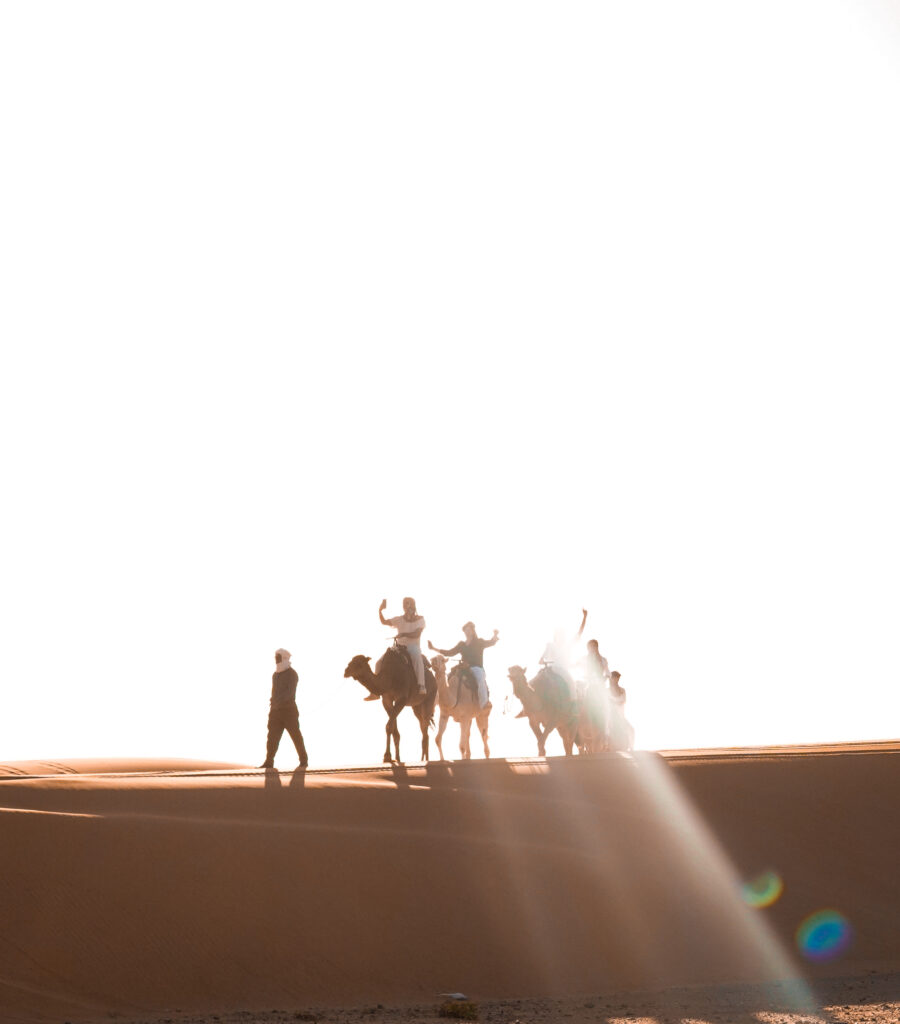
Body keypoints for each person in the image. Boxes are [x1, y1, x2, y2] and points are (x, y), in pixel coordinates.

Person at [428, 622, 499, 708]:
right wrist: (433, 648)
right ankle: (436, 703)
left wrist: (495, 635)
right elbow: (450, 652)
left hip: (476, 668)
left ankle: (484, 704)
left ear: (473, 631)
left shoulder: (479, 642)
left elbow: (491, 642)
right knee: (447, 678)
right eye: (465, 630)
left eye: (469, 630)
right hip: (463, 668)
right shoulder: (461, 644)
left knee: (481, 681)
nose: (467, 632)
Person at [259, 648, 308, 769]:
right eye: (275, 658)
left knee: (295, 736)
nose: (276, 660)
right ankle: (269, 761)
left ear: (284, 658)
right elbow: (274, 692)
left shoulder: (292, 674)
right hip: (275, 712)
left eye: (278, 658)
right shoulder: (275, 675)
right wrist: (273, 704)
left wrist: (277, 702)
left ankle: (303, 761)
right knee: (272, 738)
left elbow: (290, 693)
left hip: (288, 711)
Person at [378, 596, 426, 694]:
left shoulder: (420, 620)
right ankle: (376, 690)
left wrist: (404, 634)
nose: (405, 605)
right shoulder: (399, 619)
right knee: (379, 663)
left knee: (417, 657)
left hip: (413, 647)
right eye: (404, 603)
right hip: (398, 648)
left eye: (407, 603)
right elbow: (384, 622)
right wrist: (380, 610)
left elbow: (417, 634)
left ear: (412, 605)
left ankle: (421, 685)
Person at [540, 608, 588, 700]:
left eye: (562, 634)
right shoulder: (550, 645)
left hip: (562, 671)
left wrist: (584, 618)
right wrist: (547, 663)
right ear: (556, 635)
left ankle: (574, 705)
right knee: (572, 686)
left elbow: (579, 633)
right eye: (559, 634)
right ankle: (574, 706)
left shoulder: (568, 645)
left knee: (572, 685)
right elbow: (541, 660)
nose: (561, 636)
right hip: (555, 670)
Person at [607, 670, 635, 752]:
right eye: (614, 678)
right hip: (610, 716)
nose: (616, 680)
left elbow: (623, 700)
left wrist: (614, 700)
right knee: (605, 730)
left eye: (617, 678)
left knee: (631, 729)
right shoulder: (607, 690)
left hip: (621, 716)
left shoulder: (622, 690)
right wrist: (616, 701)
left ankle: (631, 747)